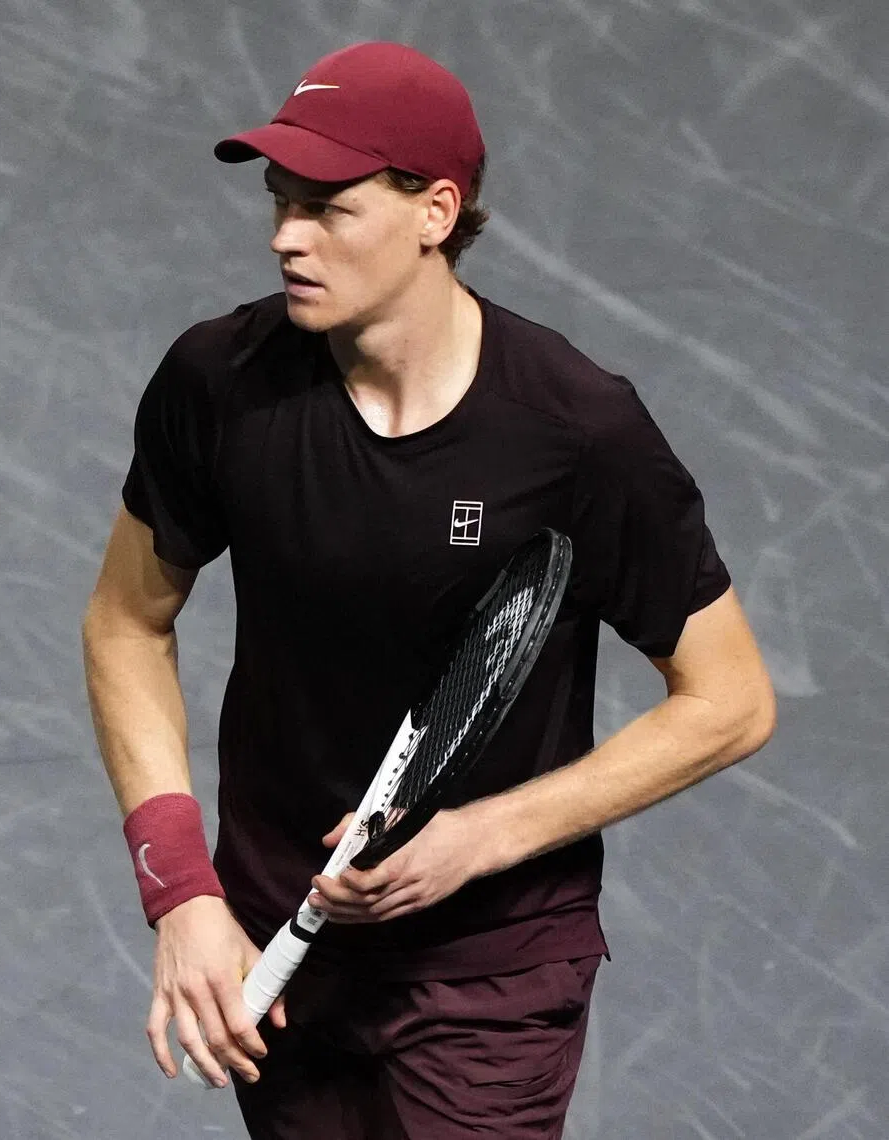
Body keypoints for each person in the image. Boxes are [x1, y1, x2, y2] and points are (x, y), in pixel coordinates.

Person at [82, 40, 776, 1140]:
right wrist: (182, 894)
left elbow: (730, 698)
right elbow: (127, 621)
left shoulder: (573, 434)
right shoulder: (219, 386)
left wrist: (483, 837)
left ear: (434, 211)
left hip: (490, 964)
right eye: (278, 202)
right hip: (276, 929)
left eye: (328, 208)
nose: (285, 238)